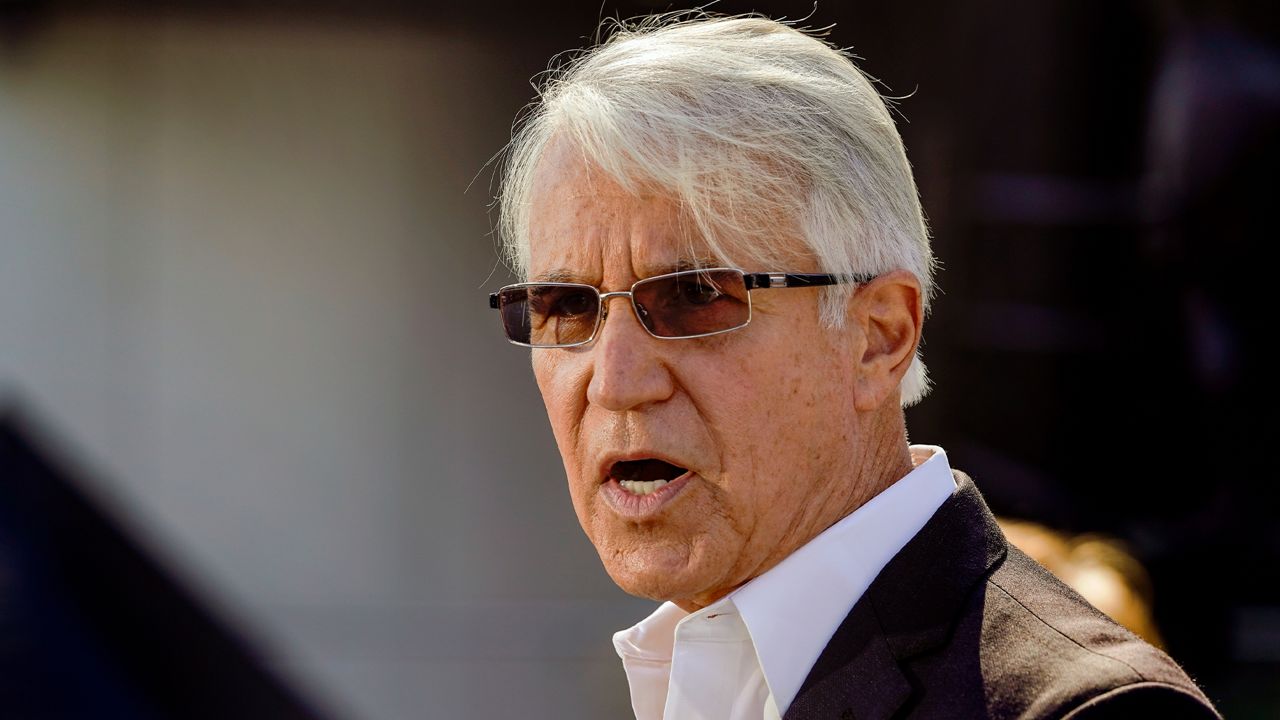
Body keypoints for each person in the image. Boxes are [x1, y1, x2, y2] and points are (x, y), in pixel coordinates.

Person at [486, 14, 1220, 720]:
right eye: (567, 307)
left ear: (879, 337)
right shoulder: (696, 672)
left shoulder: (1082, 709)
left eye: (696, 297)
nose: (615, 380)